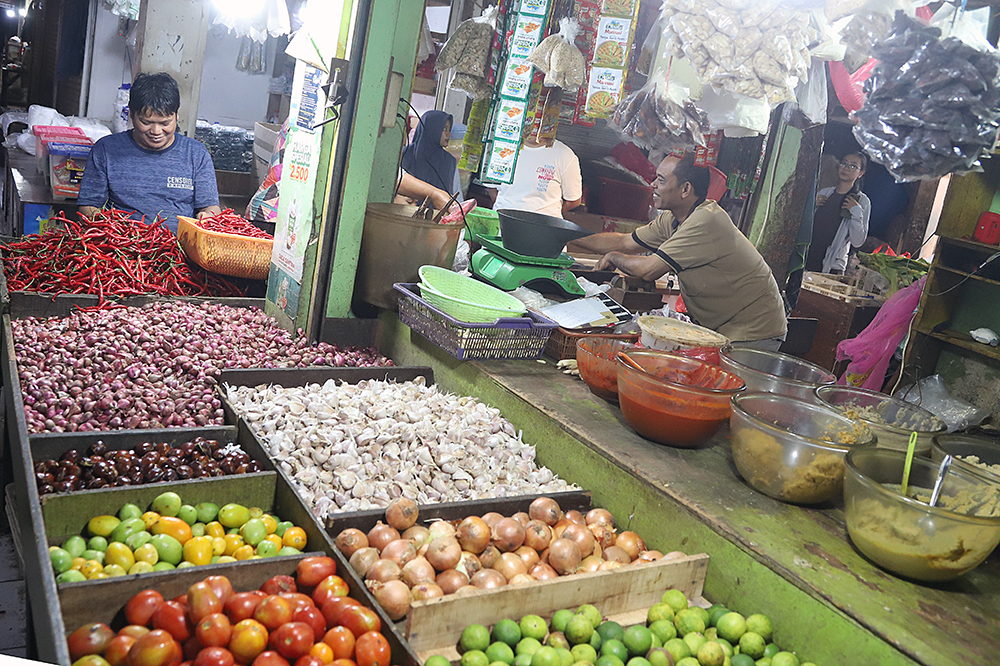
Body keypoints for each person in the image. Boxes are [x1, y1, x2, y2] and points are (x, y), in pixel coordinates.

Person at [567, 154, 787, 349]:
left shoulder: (705, 221)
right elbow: (625, 242)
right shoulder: (674, 219)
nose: (652, 184)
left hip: (753, 329)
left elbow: (648, 269)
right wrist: (566, 236)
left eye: (661, 180)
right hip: (723, 326)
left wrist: (614, 257)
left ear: (685, 189)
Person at [78, 72, 221, 233]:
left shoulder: (196, 154)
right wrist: (113, 231)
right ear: (131, 114)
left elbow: (210, 207)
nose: (156, 131)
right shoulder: (106, 150)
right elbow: (88, 205)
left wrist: (208, 216)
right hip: (122, 246)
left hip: (179, 249)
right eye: (146, 122)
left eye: (165, 123)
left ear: (176, 115)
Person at [806, 152, 870, 274]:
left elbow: (857, 241)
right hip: (807, 257)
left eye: (853, 166)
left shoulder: (861, 201)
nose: (846, 168)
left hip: (832, 267)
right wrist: (812, 205)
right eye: (844, 164)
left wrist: (856, 211)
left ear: (861, 173)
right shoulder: (825, 193)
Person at [491, 136, 582, 218]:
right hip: (501, 225)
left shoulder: (565, 155)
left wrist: (545, 216)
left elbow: (573, 201)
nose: (535, 128)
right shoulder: (501, 147)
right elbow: (491, 186)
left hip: (544, 229)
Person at [401, 110, 462, 205]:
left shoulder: (449, 162)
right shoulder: (405, 154)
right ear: (431, 128)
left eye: (449, 130)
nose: (448, 134)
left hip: (435, 217)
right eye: (444, 129)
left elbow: (457, 197)